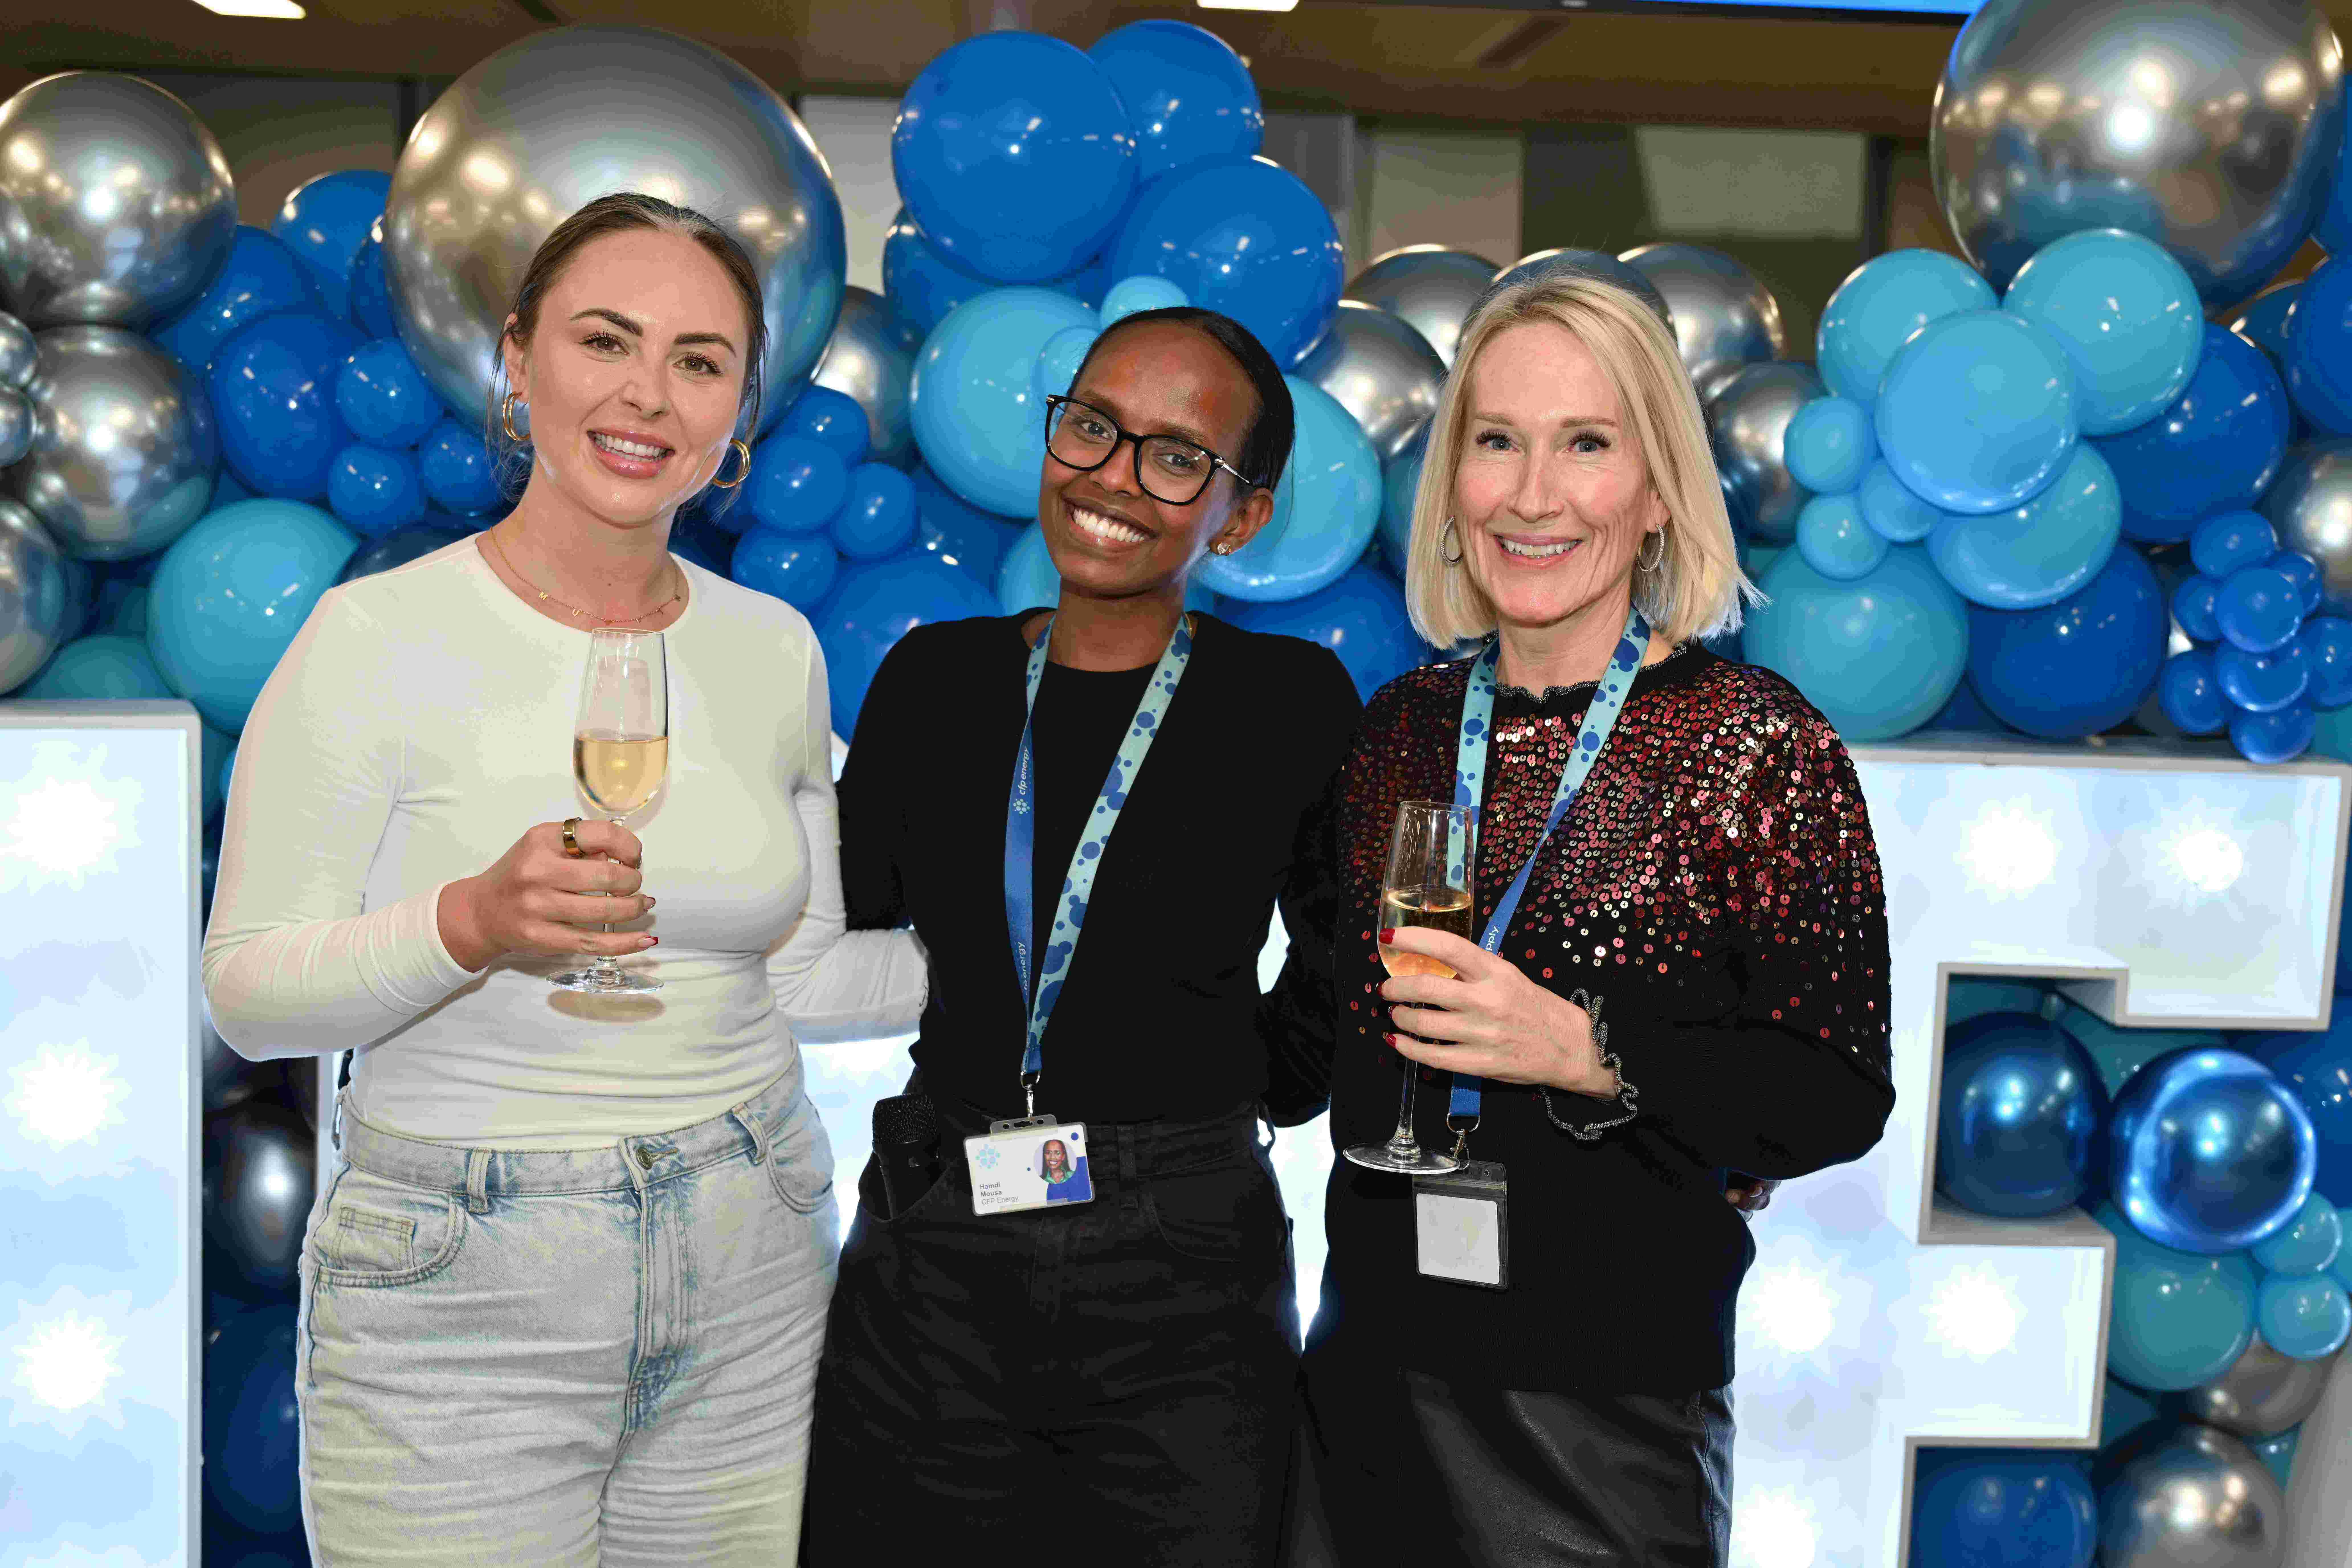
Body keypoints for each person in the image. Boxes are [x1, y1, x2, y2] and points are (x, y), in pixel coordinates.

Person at [202, 193, 924, 1563]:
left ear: (739, 418)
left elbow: (799, 973)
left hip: (755, 1240)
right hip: (461, 1281)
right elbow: (247, 992)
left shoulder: (773, 648)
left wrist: (1048, 956)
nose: (648, 392)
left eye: (700, 361)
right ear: (518, 363)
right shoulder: (373, 638)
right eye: (605, 340)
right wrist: (470, 923)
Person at [1277, 270, 1897, 1566]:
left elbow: (1834, 1094)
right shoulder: (1397, 732)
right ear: (1452, 479)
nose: (1533, 494)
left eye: (1587, 445)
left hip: (1601, 1422)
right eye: (1498, 441)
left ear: (1659, 489)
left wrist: (1588, 1050)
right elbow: (1317, 1031)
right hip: (1363, 1383)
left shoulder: (1758, 745)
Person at [801, 307, 1362, 1566]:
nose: (1114, 477)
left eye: (1177, 457)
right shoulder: (935, 680)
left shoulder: (1287, 702)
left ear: (1242, 517)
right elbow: (849, 914)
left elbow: (1340, 967)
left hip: (1183, 1265)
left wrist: (1220, 1095)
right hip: (936, 1242)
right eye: (1094, 427)